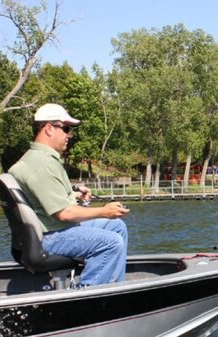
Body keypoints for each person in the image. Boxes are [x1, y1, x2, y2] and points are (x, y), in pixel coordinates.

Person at [9, 103, 129, 286]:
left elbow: (44, 197)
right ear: (48, 129)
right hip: (49, 236)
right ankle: (89, 294)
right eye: (65, 128)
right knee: (111, 242)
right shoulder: (41, 165)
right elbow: (64, 214)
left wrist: (74, 196)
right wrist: (104, 211)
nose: (70, 135)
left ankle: (114, 287)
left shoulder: (40, 159)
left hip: (52, 228)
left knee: (117, 226)